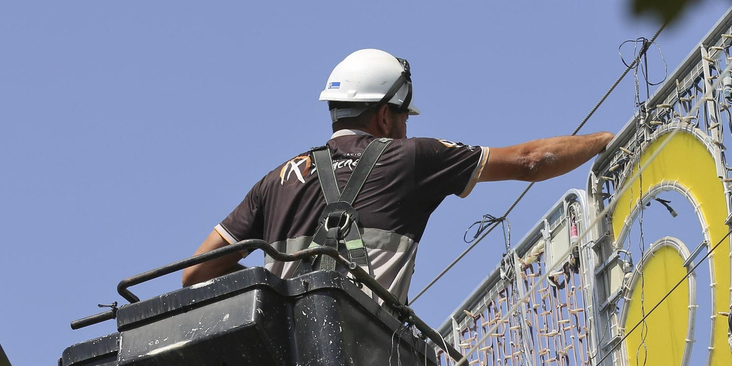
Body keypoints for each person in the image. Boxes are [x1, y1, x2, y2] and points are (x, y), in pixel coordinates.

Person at [182, 48, 613, 294]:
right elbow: (530, 161)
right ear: (385, 116)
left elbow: (195, 272)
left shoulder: (276, 180)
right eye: (404, 118)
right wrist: (605, 142)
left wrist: (272, 291)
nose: (407, 130)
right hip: (365, 365)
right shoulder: (412, 158)